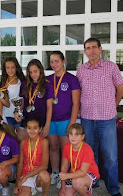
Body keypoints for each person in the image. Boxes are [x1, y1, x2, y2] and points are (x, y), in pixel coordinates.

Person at [76, 37, 123, 196]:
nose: (92, 51)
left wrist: (113, 106)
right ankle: (93, 181)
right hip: (87, 118)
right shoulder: (81, 70)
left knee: (110, 157)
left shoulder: (111, 67)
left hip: (107, 119)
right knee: (90, 154)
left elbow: (121, 90)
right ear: (85, 52)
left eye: (94, 47)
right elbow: (79, 93)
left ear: (100, 49)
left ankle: (113, 189)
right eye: (88, 48)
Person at [46, 51, 80, 189]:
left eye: (57, 61)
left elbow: (76, 103)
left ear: (63, 62)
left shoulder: (71, 79)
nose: (54, 64)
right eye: (52, 61)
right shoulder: (48, 79)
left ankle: (64, 175)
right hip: (51, 120)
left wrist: (72, 123)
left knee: (66, 150)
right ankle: (55, 173)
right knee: (53, 147)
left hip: (65, 120)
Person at [15, 59, 53, 141]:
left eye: (35, 71)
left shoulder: (47, 85)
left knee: (39, 148)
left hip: (40, 122)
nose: (33, 74)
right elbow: (21, 102)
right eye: (30, 72)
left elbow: (49, 107)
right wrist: (17, 111)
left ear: (40, 70)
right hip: (26, 121)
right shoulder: (24, 84)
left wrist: (47, 126)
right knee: (22, 145)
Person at [58, 123, 100, 196]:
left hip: (89, 173)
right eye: (71, 134)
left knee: (76, 183)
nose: (73, 137)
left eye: (76, 134)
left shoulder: (87, 149)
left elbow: (83, 172)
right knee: (63, 194)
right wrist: (62, 186)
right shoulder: (67, 147)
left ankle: (86, 190)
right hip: (75, 173)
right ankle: (78, 189)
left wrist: (67, 176)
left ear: (82, 137)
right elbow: (64, 167)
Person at [14, 117, 51, 196]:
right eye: (29, 128)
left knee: (45, 175)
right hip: (26, 173)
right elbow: (20, 164)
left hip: (38, 175)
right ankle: (30, 189)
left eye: (35, 128)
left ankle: (44, 194)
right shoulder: (23, 142)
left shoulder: (44, 141)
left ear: (40, 129)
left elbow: (44, 165)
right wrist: (17, 184)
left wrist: (26, 177)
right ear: (25, 129)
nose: (32, 131)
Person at [0, 57, 25, 130]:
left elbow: (23, 99)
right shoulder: (2, 82)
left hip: (18, 116)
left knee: (19, 140)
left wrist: (18, 111)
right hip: (6, 116)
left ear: (16, 68)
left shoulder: (22, 82)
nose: (10, 70)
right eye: (7, 68)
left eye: (12, 67)